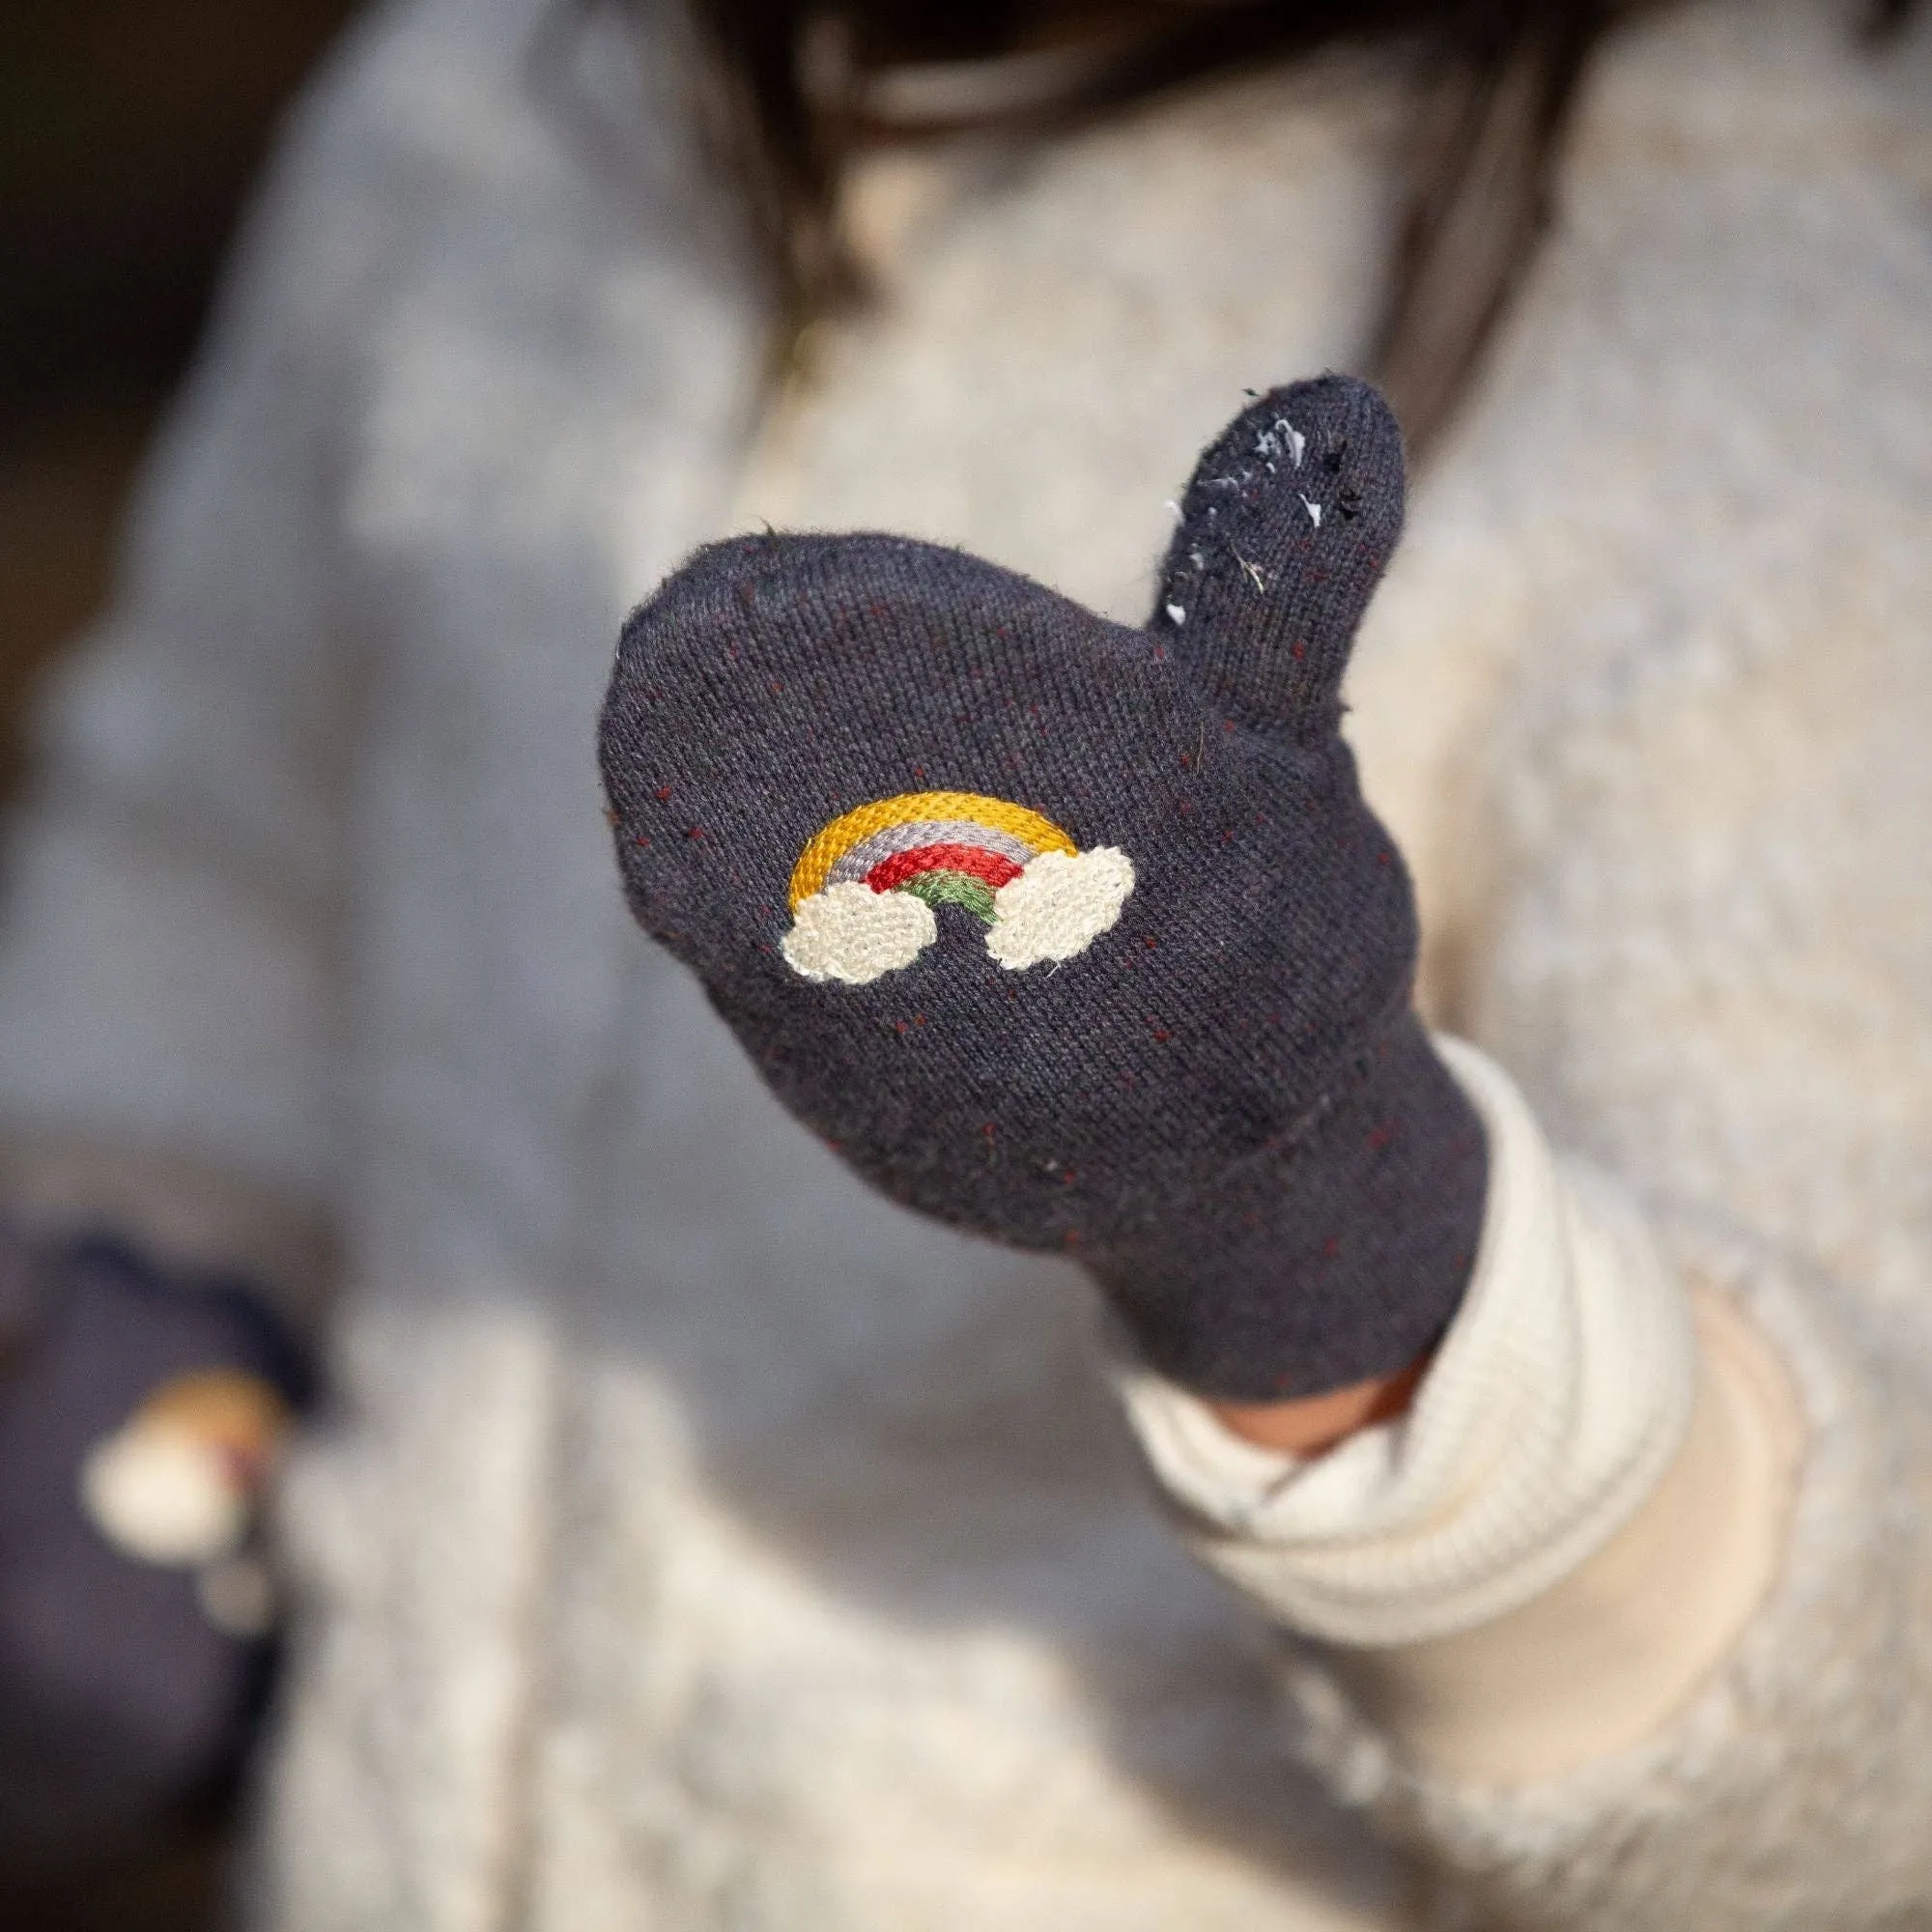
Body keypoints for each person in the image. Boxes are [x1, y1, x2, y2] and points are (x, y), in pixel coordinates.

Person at [0, 0, 1926, 1924]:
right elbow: (218, 842)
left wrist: (1312, 1231)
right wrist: (141, 1321)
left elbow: (1856, 1738)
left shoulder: (1775, 289)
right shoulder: (486, 98)